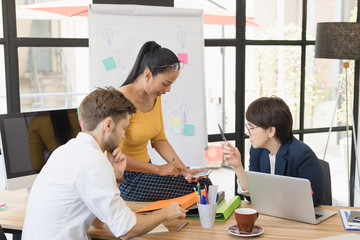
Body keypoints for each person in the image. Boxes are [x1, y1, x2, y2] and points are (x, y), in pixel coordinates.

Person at [22, 87, 186, 240]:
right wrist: (165, 213)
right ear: (108, 125)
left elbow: (98, 220)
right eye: (123, 128)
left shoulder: (65, 151)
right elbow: (126, 229)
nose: (123, 136)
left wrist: (115, 176)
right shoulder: (93, 161)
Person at [118, 41, 211, 201]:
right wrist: (158, 169)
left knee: (202, 183)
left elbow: (159, 139)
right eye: (165, 84)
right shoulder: (120, 100)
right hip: (125, 179)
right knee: (200, 189)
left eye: (171, 84)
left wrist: (184, 171)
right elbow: (114, 157)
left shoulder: (154, 96)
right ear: (147, 74)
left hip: (147, 170)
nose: (168, 90)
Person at [222, 96, 324, 206]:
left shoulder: (302, 155)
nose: (248, 133)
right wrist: (237, 166)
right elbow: (252, 196)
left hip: (299, 218)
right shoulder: (257, 151)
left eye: (251, 128)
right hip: (270, 214)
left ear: (271, 131)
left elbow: (313, 200)